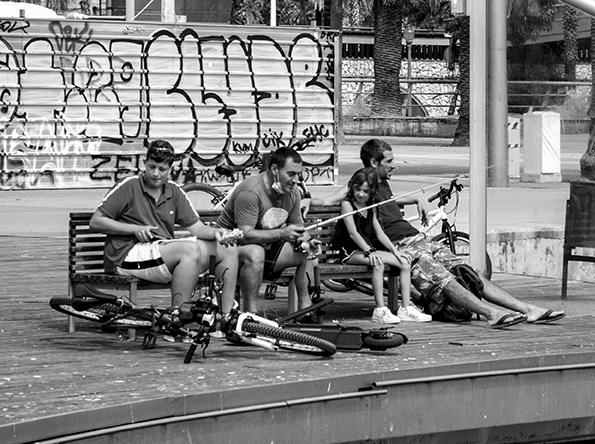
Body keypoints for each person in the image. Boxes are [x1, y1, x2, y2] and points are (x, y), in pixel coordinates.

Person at [360, 138, 563, 325]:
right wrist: (327, 203)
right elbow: (341, 198)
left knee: (467, 272)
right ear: (374, 162)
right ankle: (491, 314)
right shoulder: (362, 183)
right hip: (400, 246)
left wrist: (416, 198)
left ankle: (528, 310)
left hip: (419, 239)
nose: (393, 165)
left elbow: (387, 202)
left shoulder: (381, 182)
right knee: (443, 279)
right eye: (389, 161)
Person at [91, 138, 241, 315]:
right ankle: (178, 318)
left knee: (228, 249)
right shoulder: (129, 185)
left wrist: (218, 233)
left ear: (170, 170)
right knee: (189, 250)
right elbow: (95, 221)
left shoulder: (174, 191)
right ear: (145, 163)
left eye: (162, 169)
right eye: (152, 167)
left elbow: (197, 229)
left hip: (158, 252)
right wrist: (134, 229)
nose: (155, 173)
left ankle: (226, 317)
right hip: (125, 254)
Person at [217, 146, 313, 313]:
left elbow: (298, 229)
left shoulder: (294, 192)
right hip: (229, 249)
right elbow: (244, 236)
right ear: (275, 169)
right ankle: (250, 314)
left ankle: (306, 312)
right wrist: (281, 233)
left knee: (307, 251)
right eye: (291, 174)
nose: (296, 180)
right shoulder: (251, 191)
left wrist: (309, 241)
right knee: (255, 252)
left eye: (299, 174)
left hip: (265, 247)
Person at [333, 167, 430, 326]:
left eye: (366, 191)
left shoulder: (371, 207)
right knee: (377, 262)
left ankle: (406, 308)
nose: (361, 194)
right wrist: (369, 251)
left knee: (405, 261)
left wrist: (395, 251)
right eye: (358, 189)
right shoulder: (347, 205)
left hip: (366, 249)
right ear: (352, 187)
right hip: (349, 251)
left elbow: (380, 233)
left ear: (372, 192)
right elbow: (353, 234)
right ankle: (379, 309)